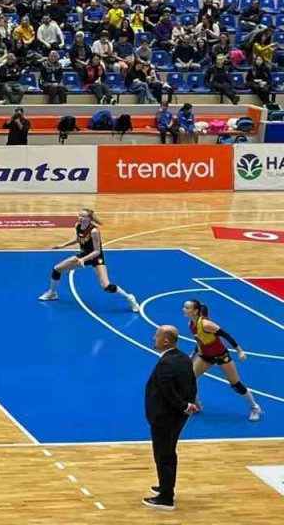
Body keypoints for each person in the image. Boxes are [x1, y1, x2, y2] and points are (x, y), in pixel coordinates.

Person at [38, 209, 140, 312]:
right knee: (57, 269)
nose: (80, 218)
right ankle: (52, 293)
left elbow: (97, 251)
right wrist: (63, 245)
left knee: (106, 286)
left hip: (96, 258)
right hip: (84, 256)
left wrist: (83, 259)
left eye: (83, 216)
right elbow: (79, 238)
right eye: (79, 215)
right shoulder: (77, 226)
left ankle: (129, 298)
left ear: (89, 219)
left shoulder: (94, 231)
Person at [144, 325, 198, 511]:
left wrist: (184, 405)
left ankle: (166, 498)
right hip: (178, 417)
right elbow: (192, 383)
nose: (154, 338)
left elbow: (168, 391)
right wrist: (188, 405)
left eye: (157, 335)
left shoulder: (166, 364)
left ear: (165, 341)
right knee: (169, 452)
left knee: (163, 454)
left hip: (164, 417)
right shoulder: (183, 358)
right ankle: (166, 485)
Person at [183, 299, 262, 421]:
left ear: (196, 311)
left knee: (236, 385)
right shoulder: (191, 325)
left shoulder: (206, 324)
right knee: (189, 379)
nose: (184, 310)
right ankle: (196, 405)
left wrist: (239, 351)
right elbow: (200, 341)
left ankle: (255, 408)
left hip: (221, 355)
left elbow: (226, 335)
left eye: (187, 308)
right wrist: (193, 354)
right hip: (206, 356)